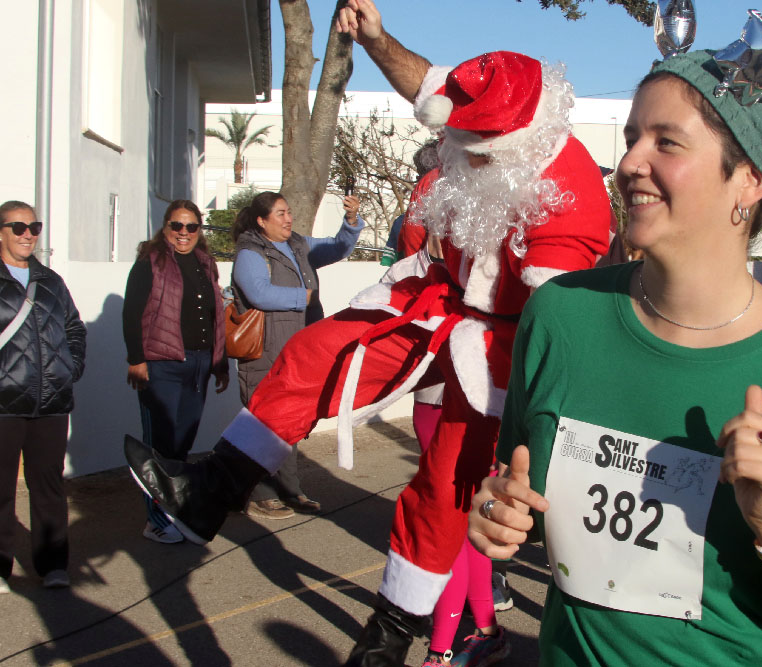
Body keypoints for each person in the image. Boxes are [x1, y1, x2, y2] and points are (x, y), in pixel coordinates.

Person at [124, 1, 611, 663]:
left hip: (510, 343)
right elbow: (424, 83)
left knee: (443, 492)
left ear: (518, 144)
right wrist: (376, 37)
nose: (453, 156)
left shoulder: (571, 196)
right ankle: (207, 492)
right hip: (441, 293)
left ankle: (385, 642)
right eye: (454, 140)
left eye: (473, 149)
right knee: (315, 351)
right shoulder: (483, 118)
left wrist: (539, 441)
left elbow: (563, 331)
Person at [467, 34, 762, 666]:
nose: (629, 164)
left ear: (750, 181)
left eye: (666, 142)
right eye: (631, 140)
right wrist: (498, 513)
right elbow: (518, 491)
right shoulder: (559, 316)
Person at [231, 191, 362, 519]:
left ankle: (290, 490)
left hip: (295, 351)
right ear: (262, 221)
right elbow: (257, 293)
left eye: (288, 212)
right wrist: (301, 297)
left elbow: (337, 248)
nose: (288, 218)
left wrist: (350, 222)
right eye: (280, 214)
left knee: (289, 421)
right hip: (263, 352)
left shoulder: (298, 245)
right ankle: (259, 492)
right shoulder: (250, 252)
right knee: (262, 423)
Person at [122, 200, 229, 543]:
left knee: (182, 444)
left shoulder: (205, 264)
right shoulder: (150, 262)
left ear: (200, 230)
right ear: (165, 228)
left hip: (198, 365)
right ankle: (155, 520)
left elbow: (216, 319)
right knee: (160, 446)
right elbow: (132, 313)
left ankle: (175, 513)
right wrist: (137, 360)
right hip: (161, 365)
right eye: (176, 226)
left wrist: (219, 362)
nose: (184, 234)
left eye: (191, 227)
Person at [0, 200, 85, 590]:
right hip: (4, 404)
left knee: (48, 486)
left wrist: (70, 370)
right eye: (18, 227)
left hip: (51, 402)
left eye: (33, 226)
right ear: (1, 231)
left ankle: (53, 565)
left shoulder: (50, 281)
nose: (27, 234)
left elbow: (74, 328)